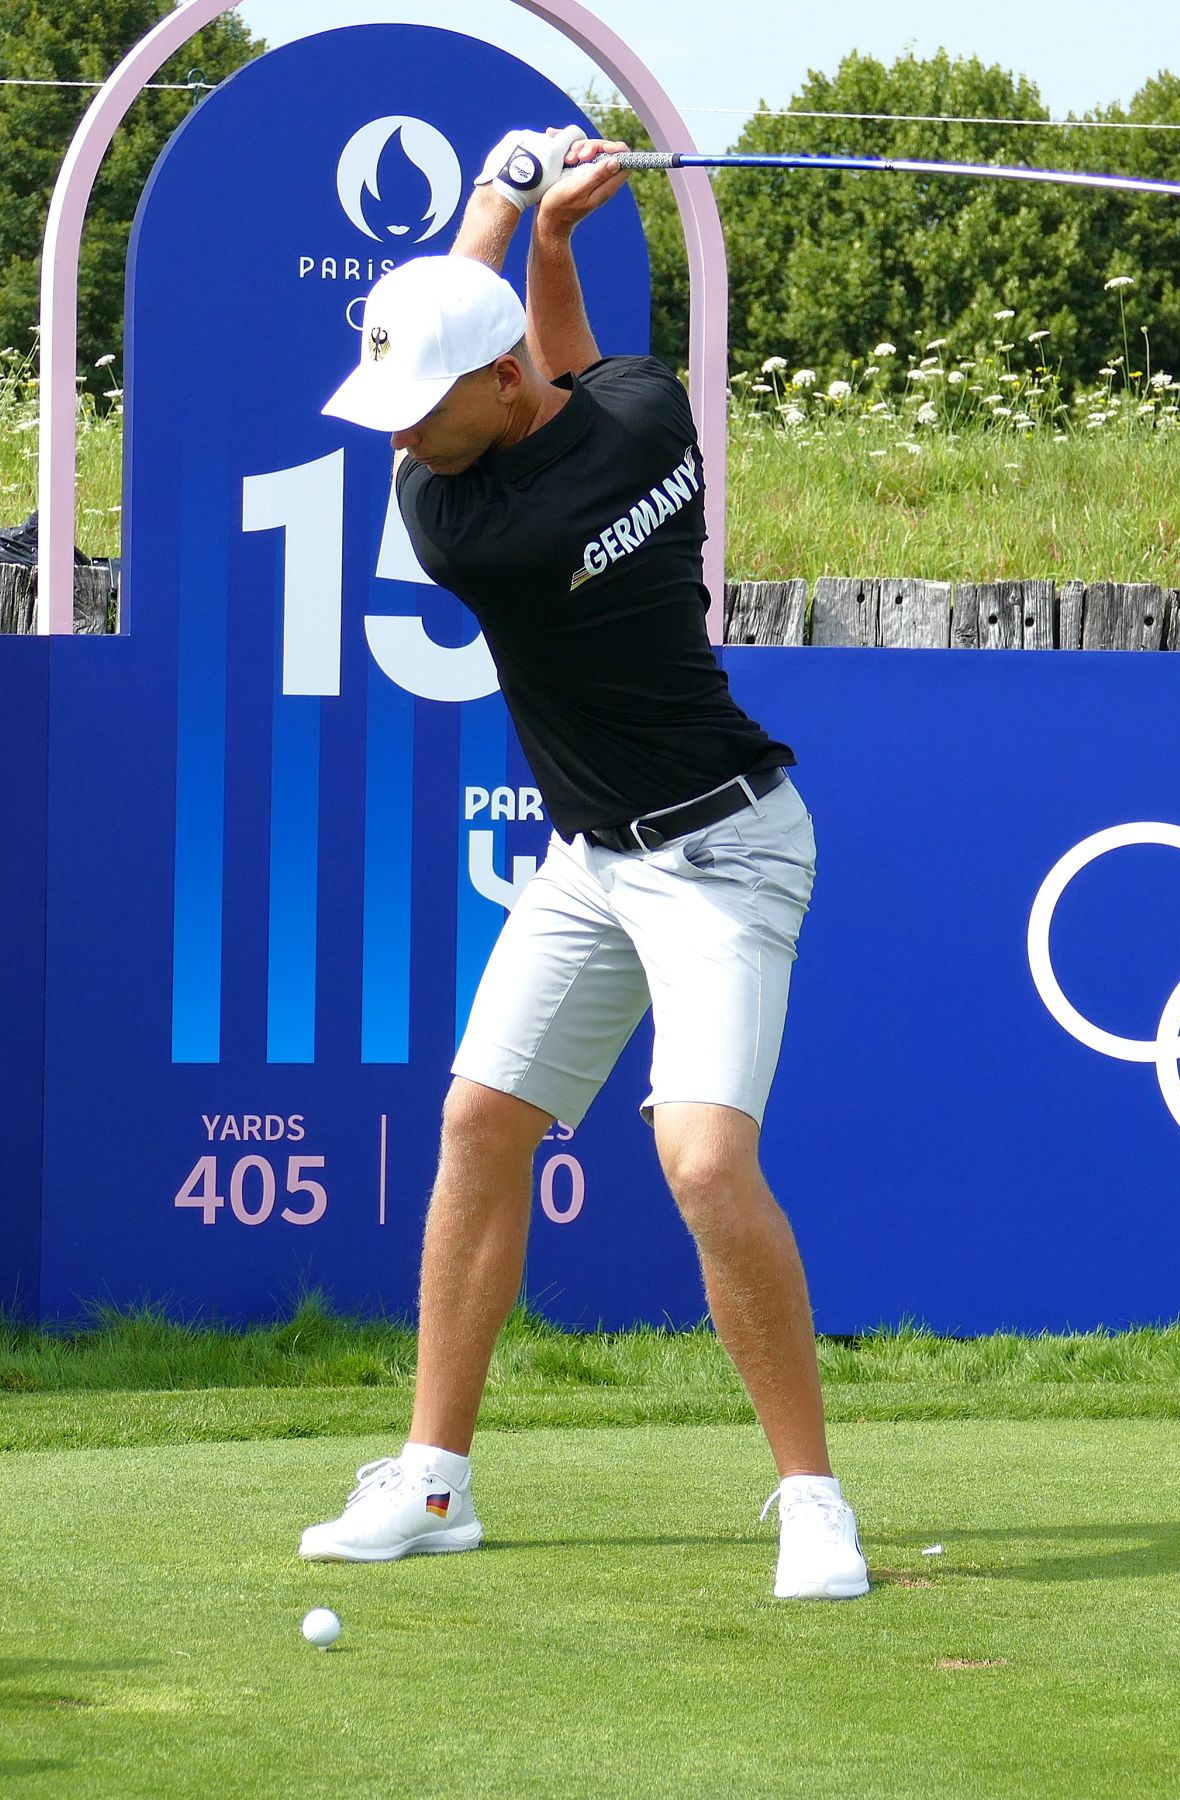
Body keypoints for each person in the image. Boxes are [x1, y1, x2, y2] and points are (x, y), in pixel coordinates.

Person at [295, 127, 865, 1601]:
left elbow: (505, 344)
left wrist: (499, 209)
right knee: (483, 1126)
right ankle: (432, 1480)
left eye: (422, 405)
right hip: (592, 858)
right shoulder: (643, 411)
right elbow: (566, 364)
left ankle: (811, 1500)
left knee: (702, 1159)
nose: (398, 436)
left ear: (497, 388)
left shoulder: (473, 528)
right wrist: (556, 242)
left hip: (728, 854)